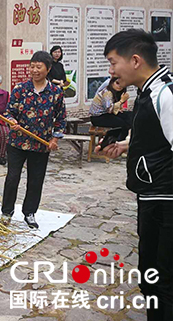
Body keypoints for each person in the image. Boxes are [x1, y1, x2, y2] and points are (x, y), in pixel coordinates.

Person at [97, 29, 173, 321]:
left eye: (113, 62)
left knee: (163, 282)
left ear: (136, 60)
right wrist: (127, 144)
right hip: (151, 197)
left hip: (167, 204)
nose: (111, 70)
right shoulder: (147, 92)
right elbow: (158, 136)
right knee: (150, 278)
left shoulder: (165, 93)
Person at [2, 51, 66, 229]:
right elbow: (9, 112)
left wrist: (55, 138)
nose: (34, 70)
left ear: (48, 69)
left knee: (35, 179)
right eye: (32, 66)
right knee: (13, 177)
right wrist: (12, 121)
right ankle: (6, 213)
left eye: (39, 67)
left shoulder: (55, 92)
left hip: (41, 144)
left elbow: (61, 118)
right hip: (17, 141)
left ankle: (29, 213)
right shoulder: (20, 89)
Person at [89, 76, 132, 141]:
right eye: (117, 83)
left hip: (107, 114)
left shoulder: (116, 92)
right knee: (122, 124)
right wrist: (122, 101)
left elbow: (115, 110)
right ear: (112, 82)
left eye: (122, 84)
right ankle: (118, 142)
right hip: (98, 117)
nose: (119, 86)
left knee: (130, 116)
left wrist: (120, 107)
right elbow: (109, 109)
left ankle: (129, 139)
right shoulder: (107, 92)